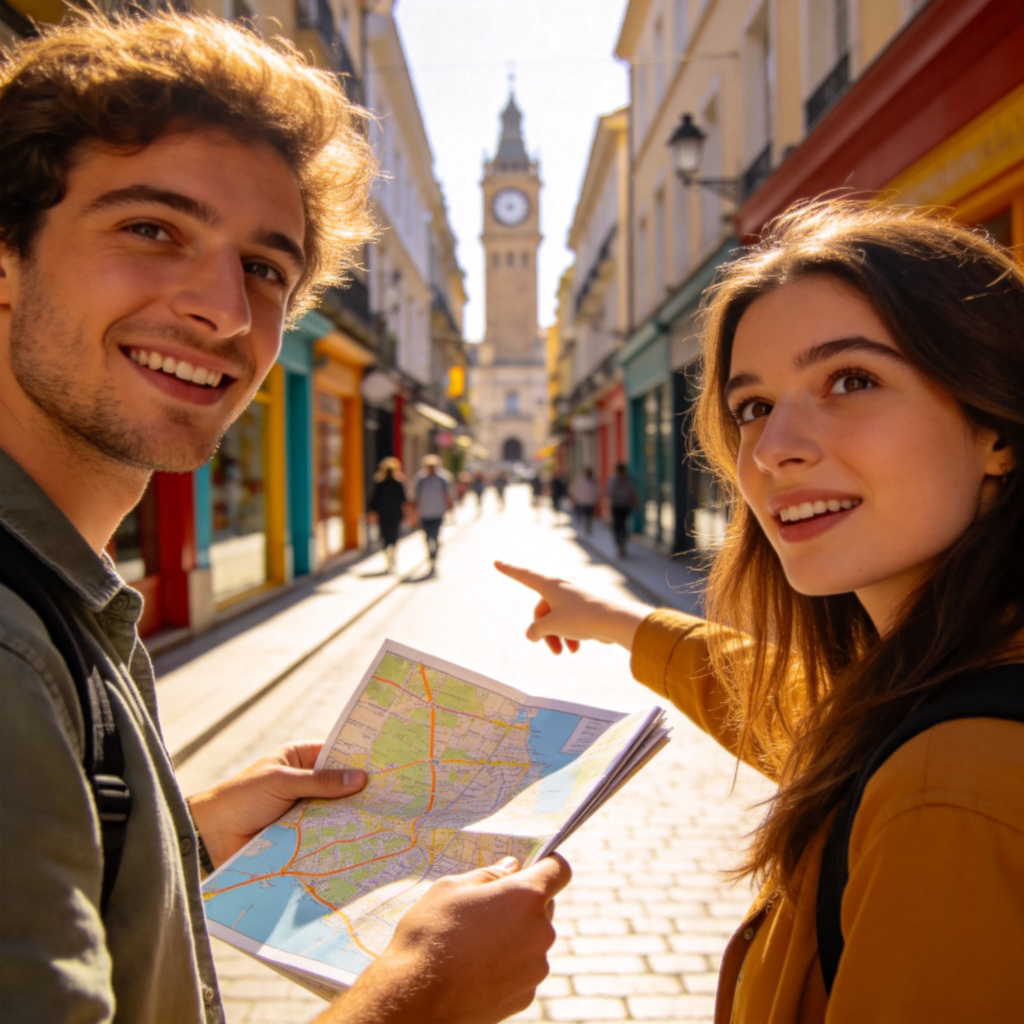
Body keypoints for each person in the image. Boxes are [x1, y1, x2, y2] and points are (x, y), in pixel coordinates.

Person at [0, 9, 570, 1023]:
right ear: (8, 258)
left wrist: (182, 832)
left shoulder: (62, 593)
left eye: (267, 267)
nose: (223, 307)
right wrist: (416, 998)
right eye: (152, 228)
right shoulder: (14, 650)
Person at [496, 199, 1024, 1021]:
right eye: (753, 407)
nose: (775, 448)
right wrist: (616, 621)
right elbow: (804, 712)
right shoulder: (930, 686)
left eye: (852, 381)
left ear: (997, 426)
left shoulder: (947, 787)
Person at [410, 453, 453, 572]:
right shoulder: (421, 479)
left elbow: (447, 495)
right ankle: (431, 555)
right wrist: (413, 513)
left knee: (435, 536)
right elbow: (415, 497)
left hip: (438, 512)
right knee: (427, 537)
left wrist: (450, 509)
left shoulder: (442, 478)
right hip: (424, 513)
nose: (431, 468)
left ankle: (434, 556)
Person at [368, 456, 406, 572]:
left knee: (385, 537)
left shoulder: (381, 484)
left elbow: (374, 500)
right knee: (393, 537)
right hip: (395, 514)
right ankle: (392, 557)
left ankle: (389, 559)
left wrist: (372, 511)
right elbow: (403, 500)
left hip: (384, 514)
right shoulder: (397, 483)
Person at [607, 462, 638, 557]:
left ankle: (622, 544)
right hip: (617, 506)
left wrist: (634, 503)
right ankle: (619, 545)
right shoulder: (614, 480)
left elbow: (632, 493)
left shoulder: (627, 480)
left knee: (622, 525)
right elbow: (609, 493)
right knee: (617, 526)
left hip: (624, 506)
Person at [570, 466, 599, 535]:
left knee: (589, 516)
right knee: (584, 516)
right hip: (582, 502)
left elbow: (596, 491)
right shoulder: (581, 480)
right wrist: (575, 498)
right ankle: (585, 528)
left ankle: (588, 528)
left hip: (591, 502)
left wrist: (596, 499)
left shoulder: (594, 481)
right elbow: (575, 489)